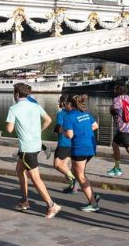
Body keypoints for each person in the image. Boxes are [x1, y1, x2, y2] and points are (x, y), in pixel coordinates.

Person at [6, 83, 61, 219]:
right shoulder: (35, 105)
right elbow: (48, 119)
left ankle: (51, 204)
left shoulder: (13, 108)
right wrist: (39, 131)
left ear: (17, 94)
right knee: (19, 170)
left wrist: (10, 122)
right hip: (36, 145)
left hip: (26, 148)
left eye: (14, 93)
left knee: (35, 178)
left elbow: (9, 129)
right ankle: (24, 201)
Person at [62, 94, 101, 212]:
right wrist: (83, 130)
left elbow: (69, 135)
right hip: (91, 146)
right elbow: (95, 126)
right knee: (76, 171)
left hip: (79, 148)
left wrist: (61, 131)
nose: (64, 105)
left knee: (80, 176)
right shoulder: (85, 114)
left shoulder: (68, 117)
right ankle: (93, 196)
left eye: (65, 103)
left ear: (69, 104)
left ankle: (93, 204)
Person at [52, 94, 77, 193]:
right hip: (74, 143)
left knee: (57, 165)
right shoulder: (75, 112)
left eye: (59, 101)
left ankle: (73, 179)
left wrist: (56, 129)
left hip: (64, 143)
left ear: (63, 103)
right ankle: (72, 187)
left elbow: (59, 127)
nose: (58, 103)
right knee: (64, 165)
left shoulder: (61, 113)